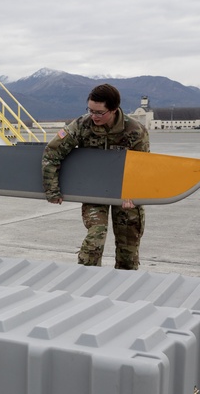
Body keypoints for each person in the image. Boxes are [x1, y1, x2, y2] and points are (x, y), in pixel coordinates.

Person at [41, 84, 150, 270]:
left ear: (114, 110)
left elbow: (143, 168)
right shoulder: (81, 125)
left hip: (125, 194)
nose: (94, 116)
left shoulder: (135, 131)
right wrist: (52, 190)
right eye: (90, 110)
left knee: (128, 248)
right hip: (94, 190)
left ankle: (125, 289)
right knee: (95, 238)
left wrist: (134, 194)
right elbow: (52, 153)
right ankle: (85, 280)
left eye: (99, 112)